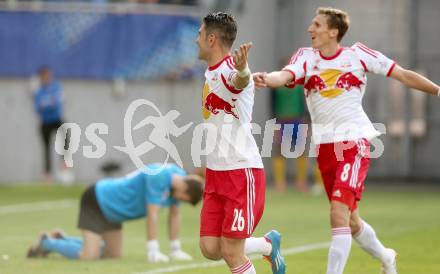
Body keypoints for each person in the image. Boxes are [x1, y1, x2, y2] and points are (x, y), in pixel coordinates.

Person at [253, 7, 439, 274]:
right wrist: (267, 78)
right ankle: (386, 256)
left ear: (333, 31)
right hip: (326, 149)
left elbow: (403, 74)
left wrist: (438, 90)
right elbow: (284, 75)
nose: (310, 29)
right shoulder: (306, 57)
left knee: (337, 213)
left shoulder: (358, 55)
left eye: (316, 25)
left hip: (354, 143)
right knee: (351, 221)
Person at [197, 12, 285, 274]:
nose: (196, 39)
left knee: (232, 252)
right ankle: (268, 244)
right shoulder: (211, 72)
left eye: (199, 34)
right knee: (210, 248)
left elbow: (240, 81)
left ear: (211, 38)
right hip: (216, 173)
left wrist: (243, 69)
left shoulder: (229, 70)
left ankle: (265, 247)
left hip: (240, 172)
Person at [26, 163, 204, 262]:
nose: (178, 201)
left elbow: (175, 215)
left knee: (113, 254)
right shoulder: (159, 177)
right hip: (98, 200)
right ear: (184, 189)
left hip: (114, 213)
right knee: (89, 256)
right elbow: (153, 215)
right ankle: (47, 243)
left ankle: (62, 240)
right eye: (183, 199)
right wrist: (153, 251)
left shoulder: (179, 179)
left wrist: (175, 250)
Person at [271, 73, 323, 194]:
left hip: (297, 120)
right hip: (282, 120)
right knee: (279, 151)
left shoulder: (299, 86)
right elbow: (272, 105)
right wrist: (274, 123)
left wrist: (307, 121)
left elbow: (304, 104)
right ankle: (280, 184)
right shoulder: (276, 86)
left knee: (301, 151)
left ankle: (301, 182)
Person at [33, 66, 70, 182]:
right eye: (44, 76)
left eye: (48, 75)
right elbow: (38, 108)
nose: (46, 78)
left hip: (56, 120)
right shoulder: (39, 91)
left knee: (65, 137)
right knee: (46, 149)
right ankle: (47, 174)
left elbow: (56, 104)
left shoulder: (56, 87)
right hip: (45, 122)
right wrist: (48, 104)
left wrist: (46, 104)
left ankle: (64, 164)